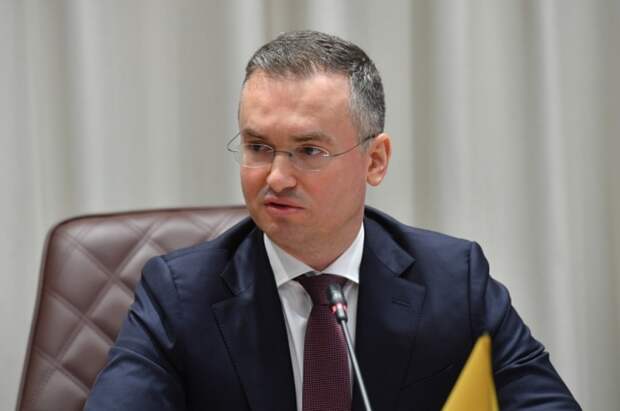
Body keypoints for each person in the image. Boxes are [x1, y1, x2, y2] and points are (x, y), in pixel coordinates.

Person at [85, 30, 580, 411]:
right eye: (258, 147)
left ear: (375, 161)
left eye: (308, 151)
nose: (276, 178)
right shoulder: (178, 296)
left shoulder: (455, 280)